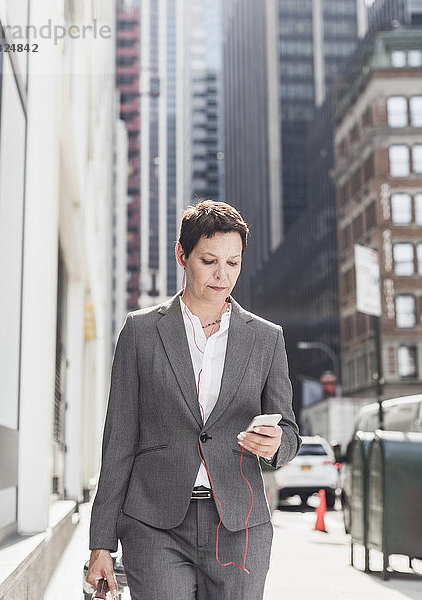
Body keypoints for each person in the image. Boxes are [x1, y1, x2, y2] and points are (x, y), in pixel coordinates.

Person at [86, 200, 301, 599]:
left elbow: (288, 431)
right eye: (209, 260)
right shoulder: (140, 332)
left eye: (233, 263)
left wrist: (275, 445)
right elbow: (118, 442)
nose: (223, 275)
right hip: (154, 523)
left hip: (240, 525)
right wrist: (101, 542)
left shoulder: (266, 338)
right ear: (181, 256)